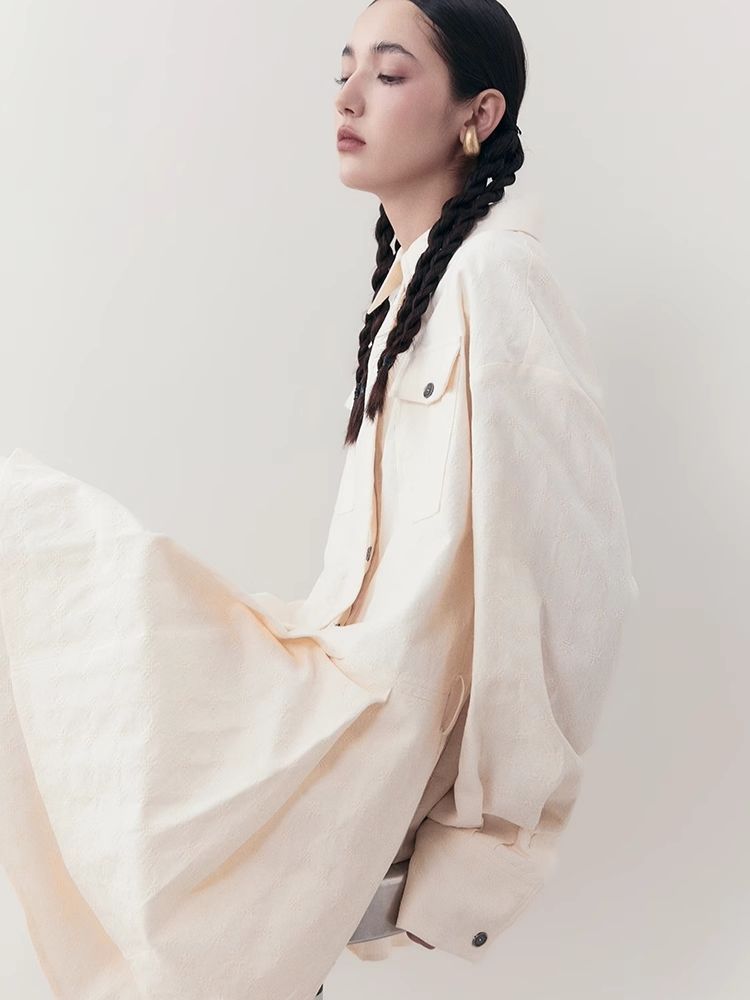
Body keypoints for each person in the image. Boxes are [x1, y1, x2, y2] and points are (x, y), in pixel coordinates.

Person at [0, 1, 638, 998]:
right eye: (344, 68)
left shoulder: (501, 279)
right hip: (326, 690)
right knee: (64, 604)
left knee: (44, 543)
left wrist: (483, 848)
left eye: (388, 72)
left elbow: (570, 598)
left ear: (478, 114)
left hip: (357, 733)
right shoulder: (411, 291)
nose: (347, 96)